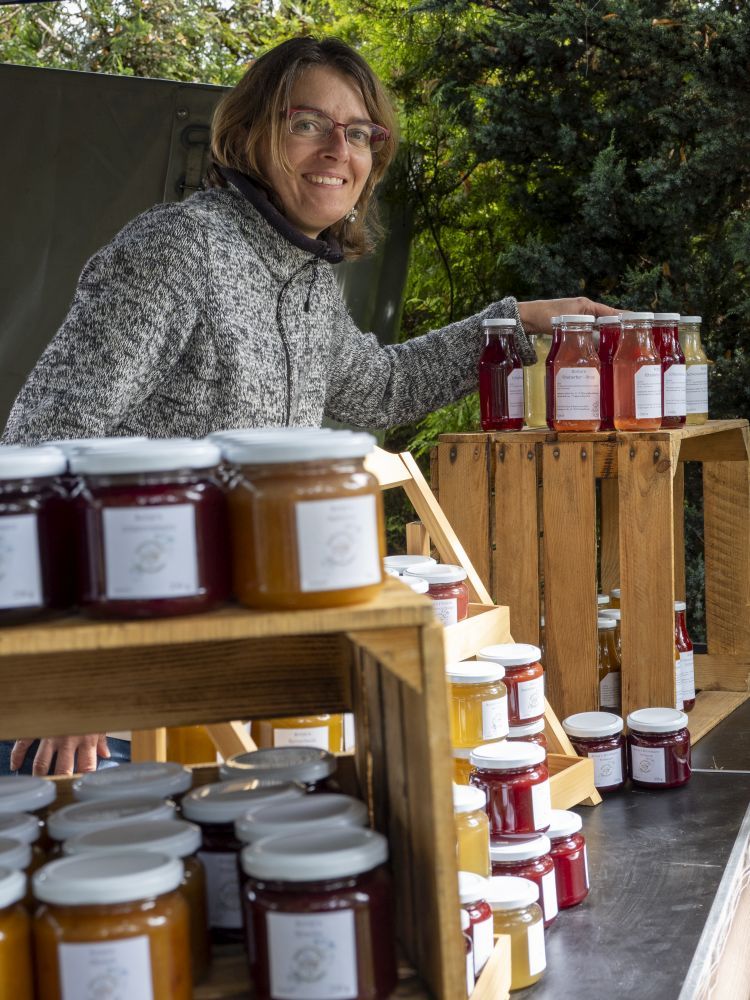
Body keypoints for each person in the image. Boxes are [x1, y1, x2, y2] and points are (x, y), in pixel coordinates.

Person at [2, 35, 617, 774]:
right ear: (250, 135)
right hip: (115, 697)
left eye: (358, 133)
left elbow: (382, 386)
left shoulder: (308, 279)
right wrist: (68, 669)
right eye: (308, 124)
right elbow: (38, 446)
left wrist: (515, 324)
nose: (337, 150)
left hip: (227, 662)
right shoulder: (176, 249)